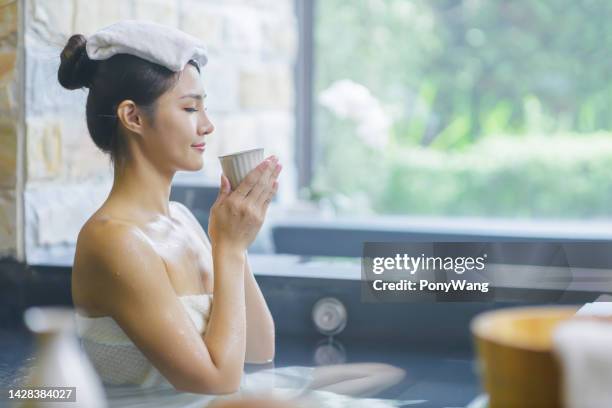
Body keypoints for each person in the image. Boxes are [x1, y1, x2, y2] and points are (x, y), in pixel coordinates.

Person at [60, 20, 409, 407]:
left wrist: (235, 247)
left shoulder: (181, 219)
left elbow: (259, 350)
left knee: (381, 375)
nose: (207, 125)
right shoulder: (113, 240)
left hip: (222, 397)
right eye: (190, 107)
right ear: (134, 117)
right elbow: (217, 382)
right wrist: (225, 248)